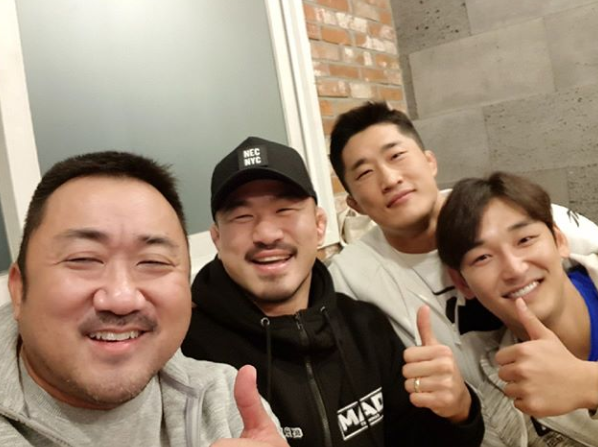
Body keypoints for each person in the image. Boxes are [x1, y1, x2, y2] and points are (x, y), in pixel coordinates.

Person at [181, 136, 485, 447]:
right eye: (242, 217)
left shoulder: (365, 327)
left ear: (319, 224)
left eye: (285, 209)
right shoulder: (187, 353)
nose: (267, 234)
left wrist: (459, 412)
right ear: (217, 239)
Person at [0, 151, 287, 447]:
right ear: (19, 289)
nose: (122, 299)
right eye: (83, 258)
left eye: (153, 261)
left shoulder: (226, 404)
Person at [327, 101, 598, 387]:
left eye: (397, 155)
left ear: (430, 161)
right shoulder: (349, 278)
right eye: (365, 173)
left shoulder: (507, 210)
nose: (390, 179)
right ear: (354, 204)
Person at [436, 171, 598, 446]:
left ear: (559, 240)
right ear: (462, 283)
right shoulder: (499, 405)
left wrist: (588, 383)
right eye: (483, 257)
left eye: (525, 240)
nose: (514, 269)